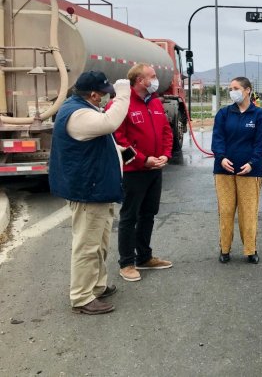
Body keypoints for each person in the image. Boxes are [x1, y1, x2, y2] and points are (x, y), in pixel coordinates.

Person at [49, 71, 130, 315]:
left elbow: (98, 139)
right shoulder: (77, 114)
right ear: (93, 95)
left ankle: (96, 285)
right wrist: (124, 94)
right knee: (87, 245)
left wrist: (119, 152)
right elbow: (110, 123)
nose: (106, 98)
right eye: (104, 94)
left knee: (99, 243)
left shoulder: (82, 109)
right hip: (88, 191)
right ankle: (82, 297)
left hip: (96, 189)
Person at [109, 63, 173, 282]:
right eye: (152, 77)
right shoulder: (121, 105)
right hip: (134, 171)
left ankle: (144, 257)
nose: (156, 80)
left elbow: (166, 131)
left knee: (149, 213)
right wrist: (143, 160)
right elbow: (118, 140)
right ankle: (126, 262)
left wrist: (165, 154)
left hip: (155, 169)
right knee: (129, 216)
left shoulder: (155, 102)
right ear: (140, 81)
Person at [212, 77, 262, 264]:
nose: (232, 91)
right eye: (230, 88)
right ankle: (225, 249)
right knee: (226, 210)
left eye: (235, 88)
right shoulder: (224, 113)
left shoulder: (259, 115)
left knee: (248, 212)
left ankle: (250, 250)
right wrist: (221, 158)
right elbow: (217, 138)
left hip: (250, 172)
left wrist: (252, 162)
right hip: (224, 171)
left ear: (247, 90)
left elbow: (261, 142)